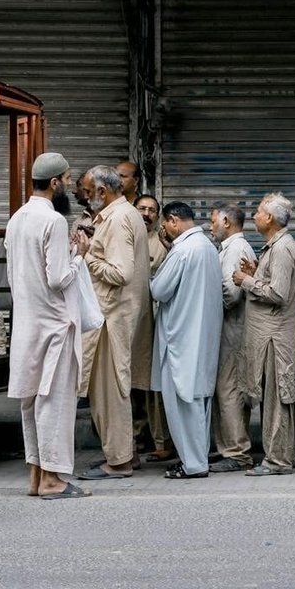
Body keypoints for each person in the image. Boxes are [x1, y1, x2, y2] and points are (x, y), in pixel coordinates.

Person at [5, 152, 91, 501]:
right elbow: (57, 278)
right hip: (54, 325)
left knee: (31, 403)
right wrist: (80, 254)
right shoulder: (53, 221)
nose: (69, 186)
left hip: (27, 323)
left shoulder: (17, 218)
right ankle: (53, 481)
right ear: (54, 183)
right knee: (54, 402)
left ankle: (36, 475)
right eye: (68, 180)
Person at [77, 165, 150, 481]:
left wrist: (86, 256)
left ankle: (118, 462)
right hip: (113, 315)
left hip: (111, 316)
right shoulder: (118, 215)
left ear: (102, 192)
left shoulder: (119, 219)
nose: (84, 196)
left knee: (110, 391)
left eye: (87, 191)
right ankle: (125, 455)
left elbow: (121, 273)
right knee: (113, 389)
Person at [149, 202, 222, 479]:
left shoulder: (183, 250)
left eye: (165, 224)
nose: (164, 229)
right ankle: (197, 459)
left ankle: (193, 465)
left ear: (174, 220)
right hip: (202, 337)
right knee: (198, 403)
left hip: (180, 338)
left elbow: (159, 290)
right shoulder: (207, 247)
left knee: (183, 404)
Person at [235, 194, 295, 476]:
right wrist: (256, 275)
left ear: (271, 219)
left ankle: (277, 461)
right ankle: (287, 455)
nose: (254, 216)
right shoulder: (275, 247)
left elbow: (278, 293)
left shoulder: (283, 248)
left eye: (259, 212)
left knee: (278, 400)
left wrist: (246, 281)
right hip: (269, 336)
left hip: (275, 339)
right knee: (275, 399)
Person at [205, 203, 257, 472]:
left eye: (213, 220)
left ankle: (237, 453)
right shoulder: (230, 248)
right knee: (224, 390)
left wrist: (211, 308)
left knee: (230, 390)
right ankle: (226, 447)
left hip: (233, 331)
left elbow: (232, 293)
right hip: (229, 330)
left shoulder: (236, 249)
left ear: (226, 221)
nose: (210, 225)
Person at [131, 194, 174, 463]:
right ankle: (136, 437)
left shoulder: (162, 243)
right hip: (130, 321)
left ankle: (162, 441)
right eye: (142, 208)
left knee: (153, 387)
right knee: (132, 384)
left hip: (155, 322)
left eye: (151, 210)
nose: (146, 213)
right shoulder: (127, 237)